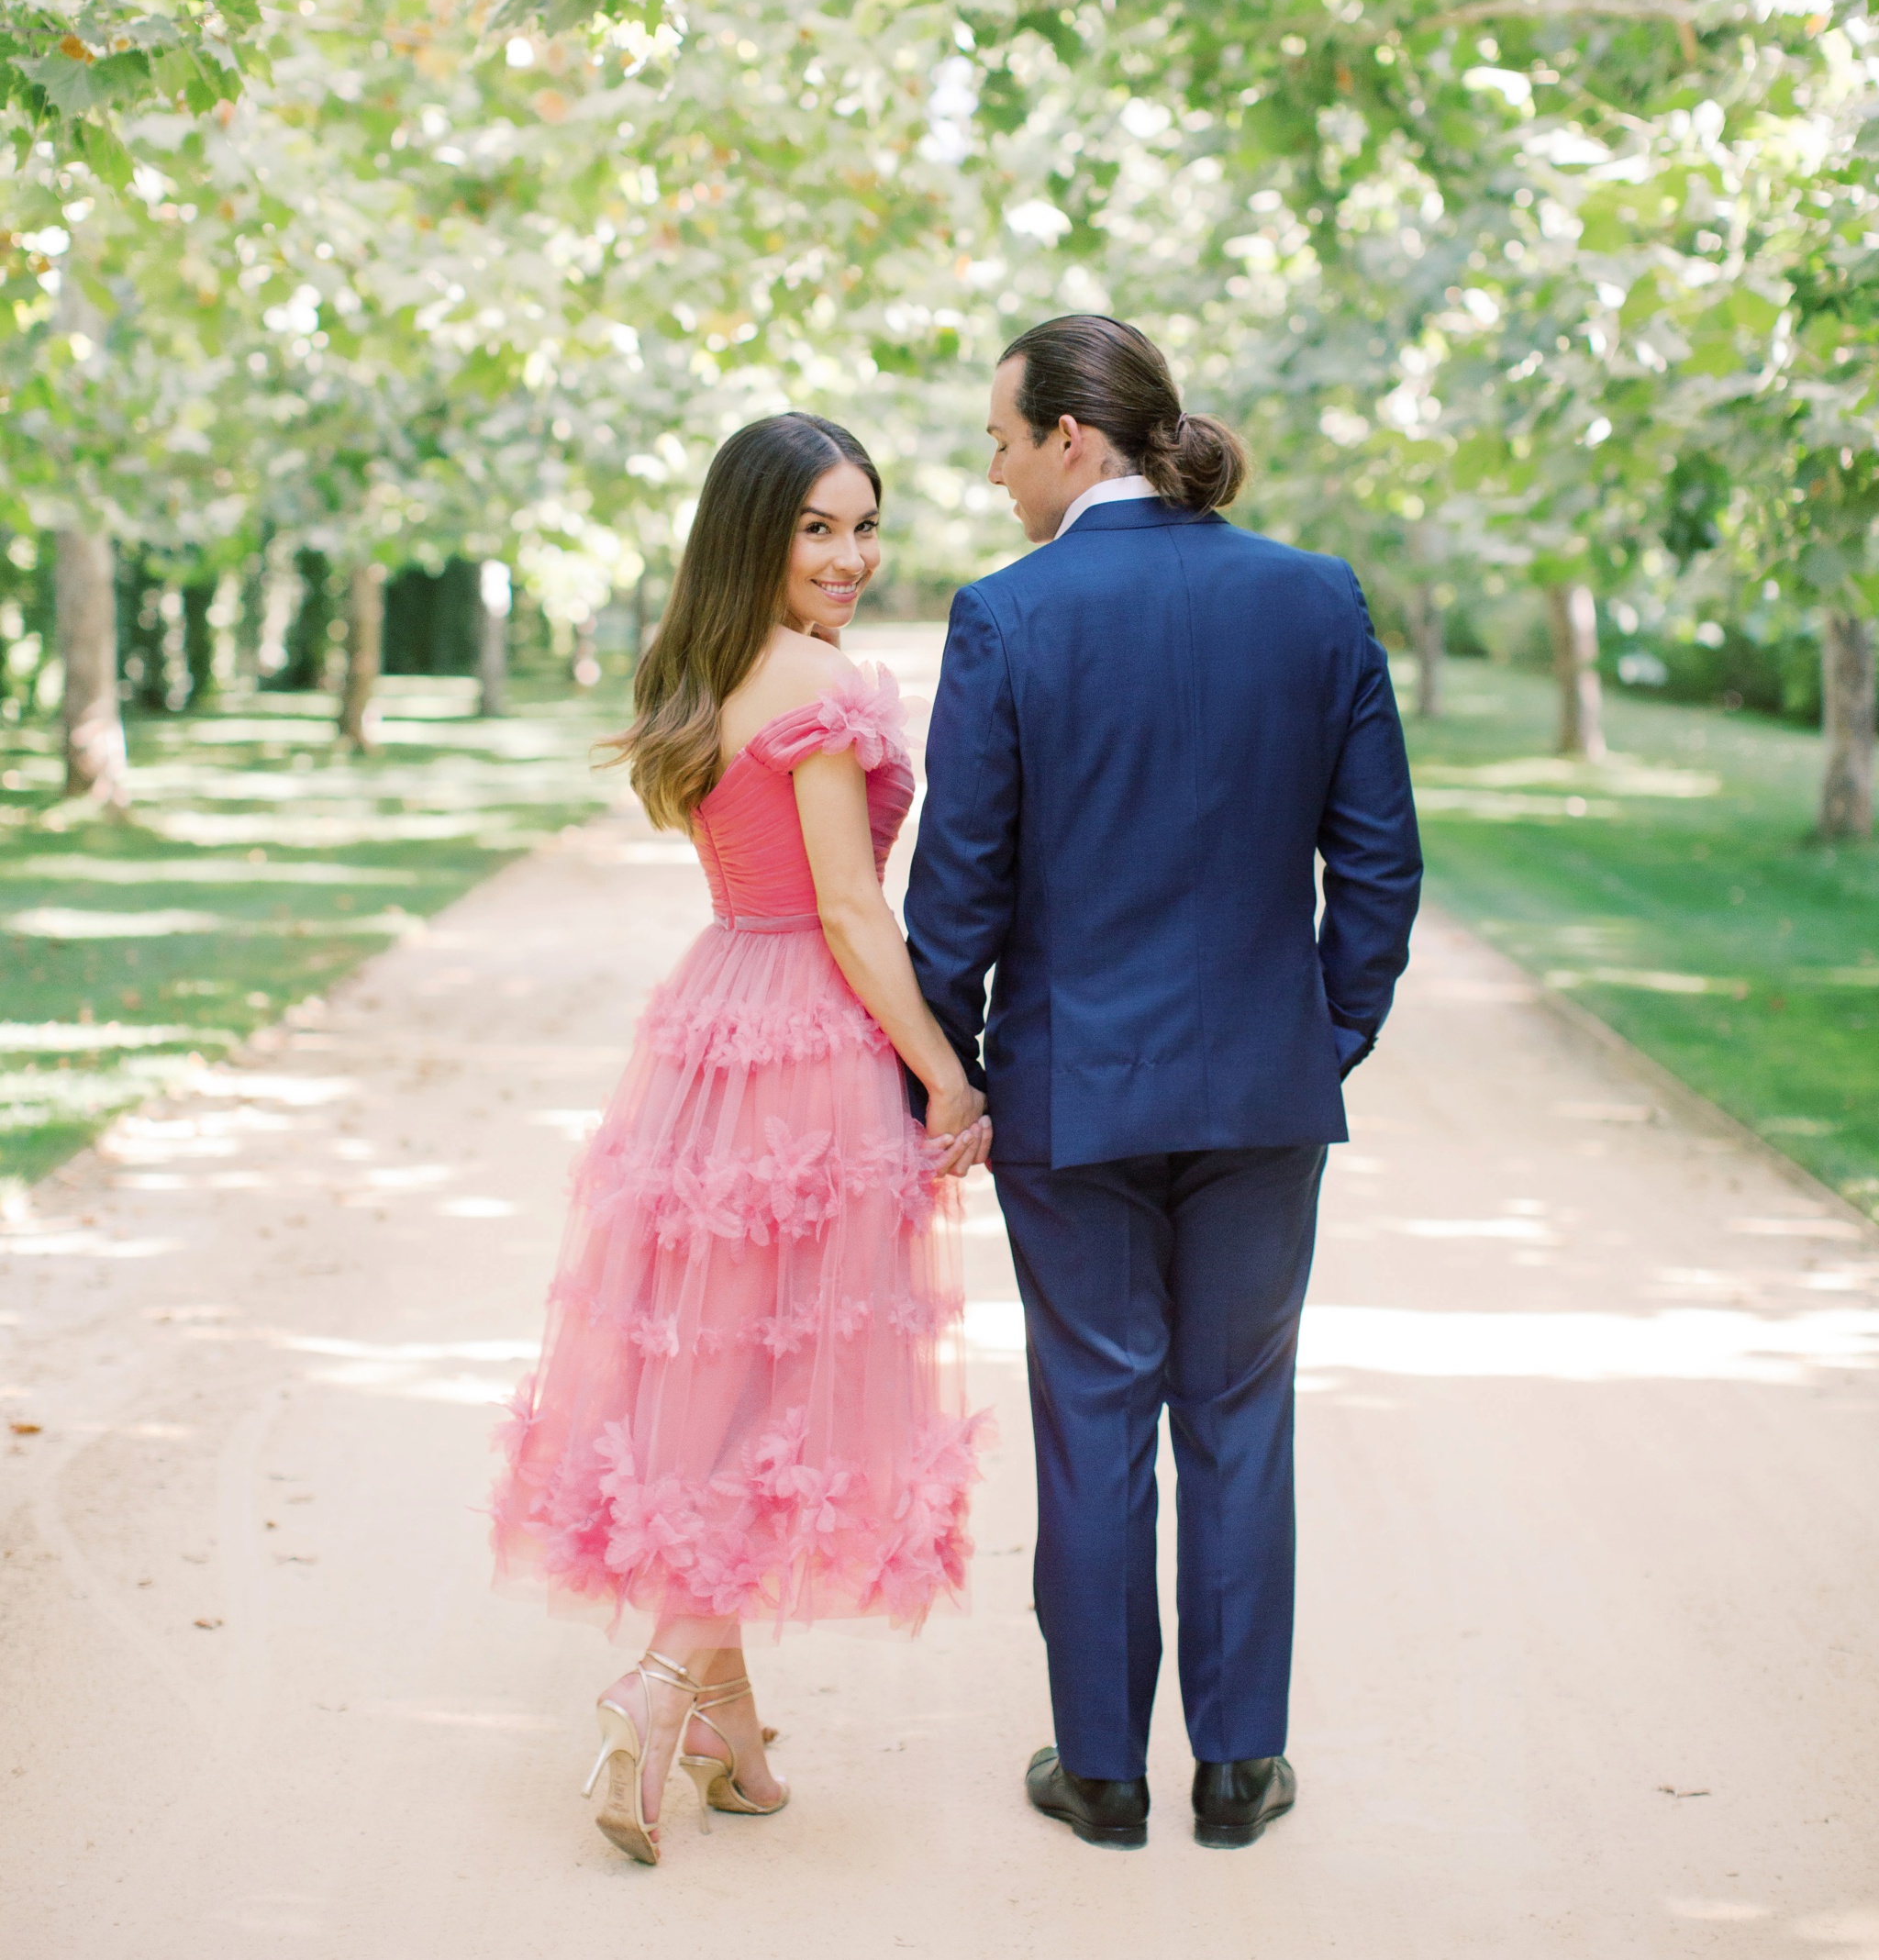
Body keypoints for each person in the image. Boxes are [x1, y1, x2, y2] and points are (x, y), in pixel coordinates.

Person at [906, 316, 1420, 1853]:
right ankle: (1239, 1768)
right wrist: (1321, 1034)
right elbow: (1378, 864)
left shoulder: (1008, 618)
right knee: (1240, 1416)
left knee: (1093, 1416)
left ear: (1074, 436)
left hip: (1075, 1097)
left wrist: (948, 1072)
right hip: (1264, 1093)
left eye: (1001, 439)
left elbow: (958, 894)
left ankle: (1104, 1770)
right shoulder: (1314, 598)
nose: (993, 473)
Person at [491, 412, 990, 1867]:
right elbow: (848, 908)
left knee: (713, 1371)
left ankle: (737, 1746)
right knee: (782, 1380)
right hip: (813, 1046)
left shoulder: (699, 671)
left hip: (714, 1021)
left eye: (863, 525)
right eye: (818, 527)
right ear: (756, 535)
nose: (851, 555)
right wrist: (944, 1078)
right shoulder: (820, 684)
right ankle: (656, 1689)